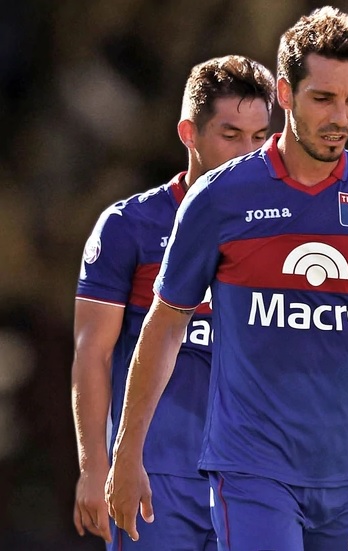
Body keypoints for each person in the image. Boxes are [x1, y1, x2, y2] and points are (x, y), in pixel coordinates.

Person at [104, 7, 348, 550]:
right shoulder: (220, 197)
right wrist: (127, 454)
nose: (340, 117)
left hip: (347, 471)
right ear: (285, 94)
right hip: (251, 468)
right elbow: (165, 325)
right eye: (323, 98)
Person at [72, 55, 275, 550]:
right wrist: (95, 466)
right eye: (231, 135)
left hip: (258, 479)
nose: (249, 153)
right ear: (189, 133)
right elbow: (92, 353)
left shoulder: (286, 234)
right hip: (155, 476)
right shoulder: (130, 227)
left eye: (259, 137)